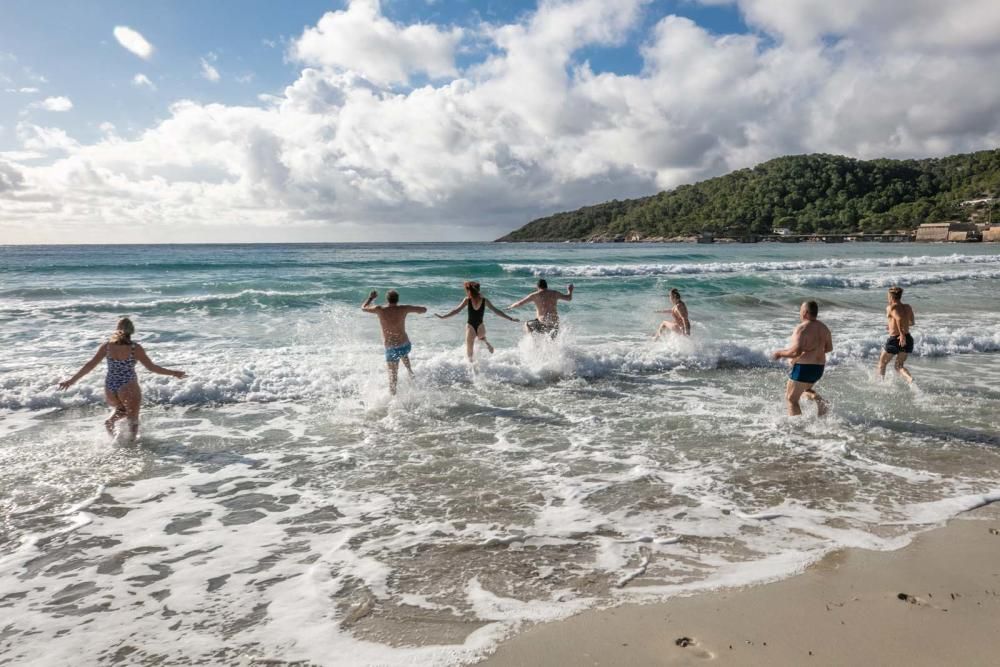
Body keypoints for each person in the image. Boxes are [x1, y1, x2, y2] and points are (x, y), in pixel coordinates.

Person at [57, 317, 186, 441]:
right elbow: (151, 367)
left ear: (117, 329)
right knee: (133, 421)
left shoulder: (106, 347)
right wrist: (174, 373)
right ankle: (130, 448)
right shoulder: (135, 348)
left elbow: (90, 365)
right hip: (127, 385)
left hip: (110, 387)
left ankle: (114, 436)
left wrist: (72, 380)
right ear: (132, 331)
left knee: (120, 413)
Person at [771, 301, 833, 417]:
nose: (800, 313)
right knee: (804, 390)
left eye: (800, 310)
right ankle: (817, 399)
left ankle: (796, 429)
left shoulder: (802, 328)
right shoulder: (824, 328)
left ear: (805, 312)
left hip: (804, 368)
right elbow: (829, 348)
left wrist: (779, 353)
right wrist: (813, 351)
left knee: (791, 399)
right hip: (819, 368)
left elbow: (795, 352)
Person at [362, 289, 427, 395]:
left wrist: (371, 298)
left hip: (391, 347)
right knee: (403, 353)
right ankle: (410, 371)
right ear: (397, 299)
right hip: (405, 344)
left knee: (393, 377)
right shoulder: (403, 308)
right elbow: (424, 309)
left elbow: (363, 308)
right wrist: (418, 310)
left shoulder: (380, 309)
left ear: (387, 299)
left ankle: (393, 399)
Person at [435, 281, 519, 362]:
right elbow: (496, 311)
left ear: (469, 290)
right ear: (478, 290)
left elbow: (456, 310)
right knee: (481, 337)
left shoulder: (467, 300)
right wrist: (511, 319)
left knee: (469, 351)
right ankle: (487, 343)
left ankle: (471, 369)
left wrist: (444, 317)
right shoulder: (484, 300)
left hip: (470, 326)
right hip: (481, 327)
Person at [508, 279, 573, 337]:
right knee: (552, 343)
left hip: (543, 323)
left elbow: (519, 303)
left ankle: (531, 342)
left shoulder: (535, 295)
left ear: (537, 287)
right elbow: (568, 298)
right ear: (546, 286)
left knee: (527, 324)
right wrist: (570, 290)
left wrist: (510, 307)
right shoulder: (555, 293)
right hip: (555, 323)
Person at [877, 286, 915, 383]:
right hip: (908, 339)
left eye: (888, 296)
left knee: (882, 363)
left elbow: (898, 318)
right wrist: (892, 325)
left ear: (891, 296)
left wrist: (901, 334)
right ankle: (909, 378)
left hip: (896, 339)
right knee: (899, 366)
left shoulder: (891, 307)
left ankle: (880, 384)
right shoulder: (908, 307)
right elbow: (911, 322)